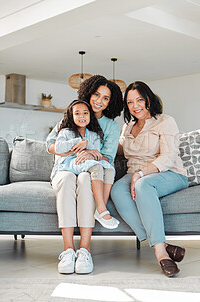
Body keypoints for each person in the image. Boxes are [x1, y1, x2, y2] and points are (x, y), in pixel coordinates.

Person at [110, 81, 189, 278]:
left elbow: (168, 157)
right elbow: (119, 149)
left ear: (149, 100)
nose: (135, 106)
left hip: (168, 173)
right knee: (117, 190)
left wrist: (141, 173)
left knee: (143, 184)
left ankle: (161, 254)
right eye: (129, 102)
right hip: (134, 174)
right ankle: (162, 243)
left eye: (139, 100)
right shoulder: (128, 127)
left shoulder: (165, 121)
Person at [46, 75, 122, 274]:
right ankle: (68, 250)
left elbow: (107, 158)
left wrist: (89, 152)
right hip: (64, 169)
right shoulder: (71, 116)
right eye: (96, 94)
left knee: (86, 177)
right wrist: (74, 148)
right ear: (88, 93)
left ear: (110, 102)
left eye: (105, 98)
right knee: (67, 178)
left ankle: (85, 250)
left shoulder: (111, 127)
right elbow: (50, 145)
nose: (99, 101)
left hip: (89, 169)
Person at [53, 99, 119, 229]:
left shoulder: (93, 134)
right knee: (97, 167)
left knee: (110, 169)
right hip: (71, 162)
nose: (82, 116)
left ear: (90, 115)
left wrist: (89, 149)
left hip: (86, 162)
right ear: (71, 116)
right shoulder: (65, 132)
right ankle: (100, 208)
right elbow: (58, 148)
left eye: (85, 113)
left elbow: (97, 154)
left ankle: (101, 208)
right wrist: (78, 142)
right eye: (77, 113)